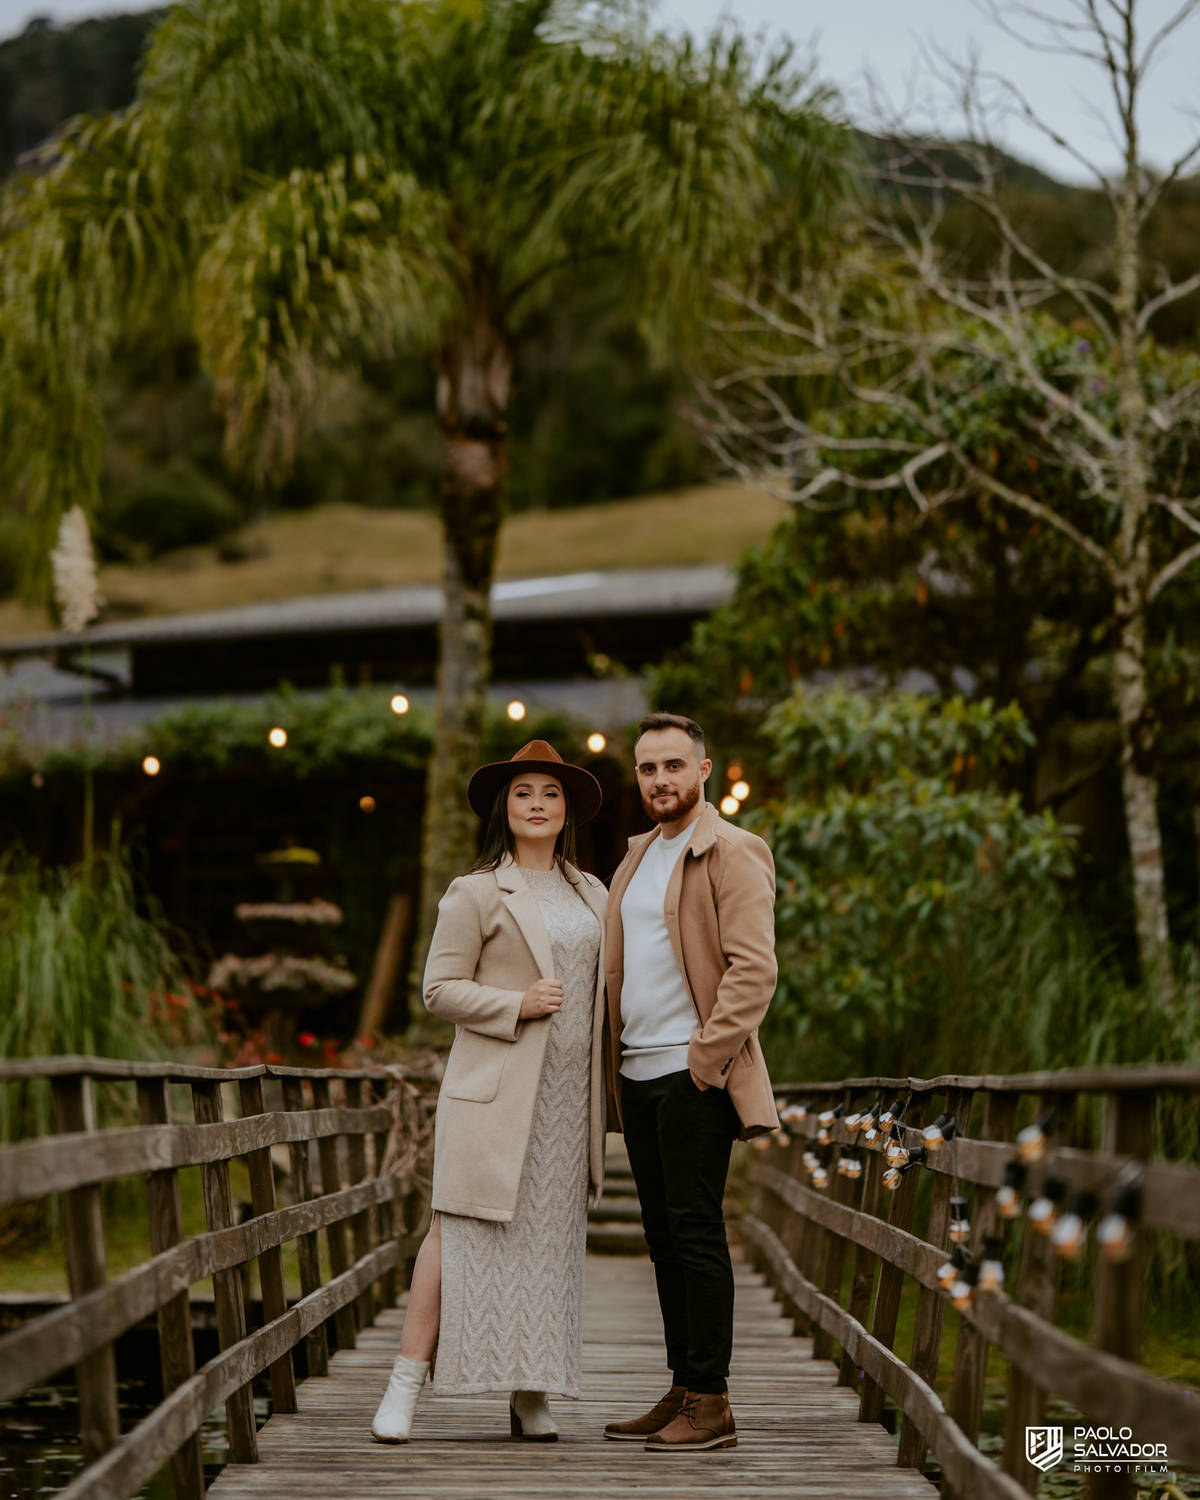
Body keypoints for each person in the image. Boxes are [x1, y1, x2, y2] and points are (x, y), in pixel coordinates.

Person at [369, 740, 608, 1445]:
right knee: (455, 1233)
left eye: (551, 794)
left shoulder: (593, 892)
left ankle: (532, 1395)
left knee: (549, 1243)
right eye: (524, 792)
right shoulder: (475, 889)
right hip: (494, 1094)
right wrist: (515, 1003)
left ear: (567, 812)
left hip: (568, 1102)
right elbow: (437, 989)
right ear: (506, 807)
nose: (537, 804)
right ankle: (404, 1389)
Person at [601, 712, 779, 1452]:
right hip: (638, 1073)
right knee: (664, 1239)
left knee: (697, 1234)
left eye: (674, 766)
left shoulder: (732, 851)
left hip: (693, 1075)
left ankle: (713, 1402)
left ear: (704, 771)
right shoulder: (637, 856)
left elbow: (754, 969)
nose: (660, 781)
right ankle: (683, 1386)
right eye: (647, 769)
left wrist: (705, 1060)